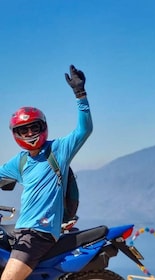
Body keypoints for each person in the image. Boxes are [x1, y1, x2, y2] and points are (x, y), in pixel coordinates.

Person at [0, 65, 93, 280]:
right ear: (16, 133)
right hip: (20, 231)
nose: (30, 133)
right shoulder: (21, 161)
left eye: (34, 127)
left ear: (44, 127)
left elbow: (84, 130)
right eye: (24, 130)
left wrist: (80, 95)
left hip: (40, 234)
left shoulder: (58, 151)